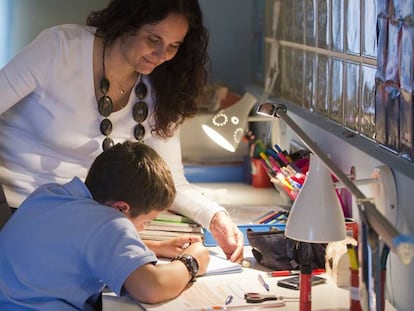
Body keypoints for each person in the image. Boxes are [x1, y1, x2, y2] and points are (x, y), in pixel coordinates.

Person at [0, 0, 244, 262]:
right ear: (127, 22)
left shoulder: (164, 86)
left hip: (86, 227)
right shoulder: (60, 48)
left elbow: (171, 181)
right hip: (17, 214)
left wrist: (215, 216)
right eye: (154, 40)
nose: (162, 55)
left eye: (174, 46)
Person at [0, 141, 211, 310]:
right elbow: (151, 288)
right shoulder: (109, 221)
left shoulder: (50, 195)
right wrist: (191, 261)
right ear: (120, 208)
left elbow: (79, 243)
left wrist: (154, 247)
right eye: (145, 222)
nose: (142, 230)